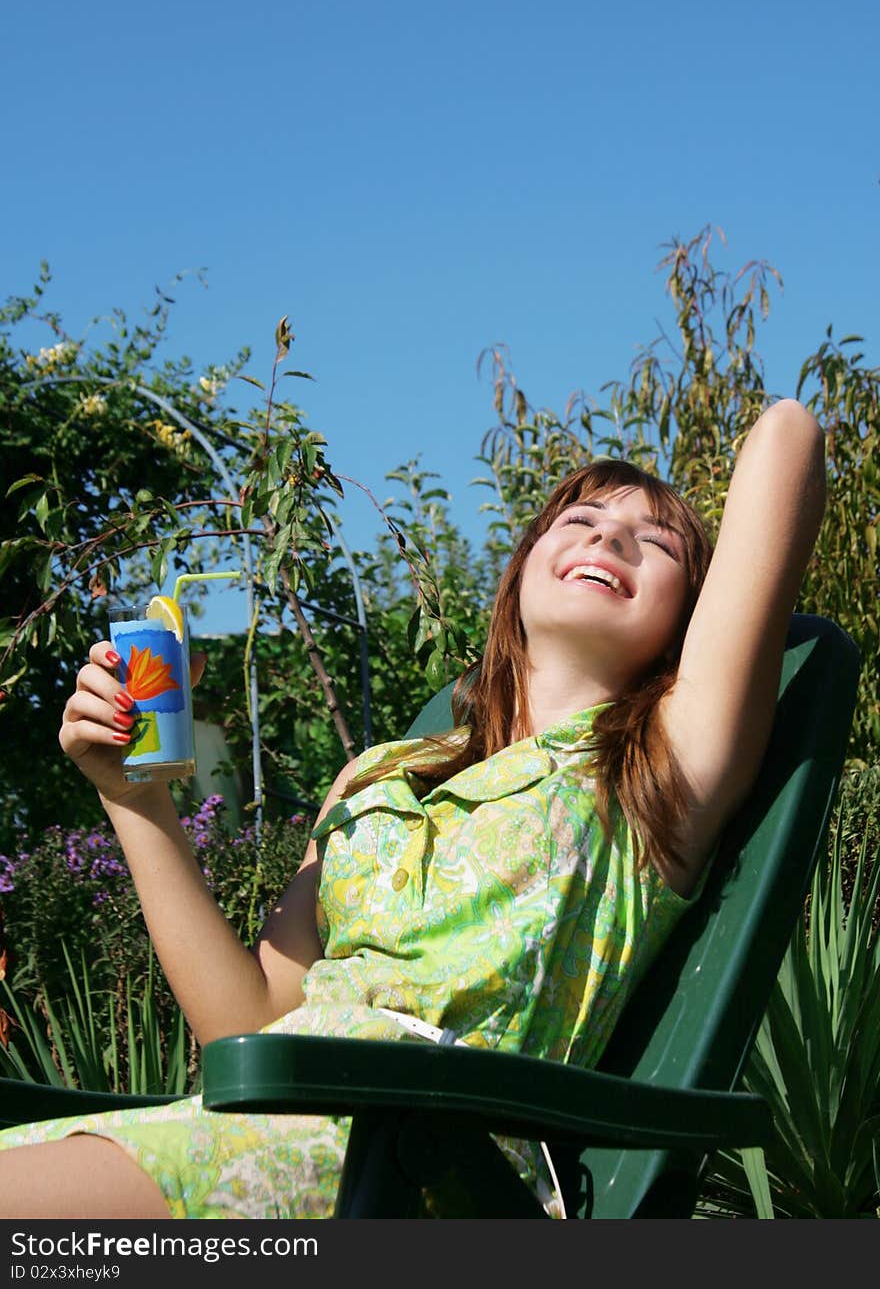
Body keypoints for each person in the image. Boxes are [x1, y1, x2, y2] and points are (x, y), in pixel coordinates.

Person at [0, 399, 826, 1219]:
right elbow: (245, 1026)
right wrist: (134, 799)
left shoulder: (659, 768)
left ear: (692, 621)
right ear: (524, 566)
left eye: (657, 543)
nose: (610, 538)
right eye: (579, 519)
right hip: (263, 1132)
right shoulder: (376, 776)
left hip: (432, 1169)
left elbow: (788, 433)